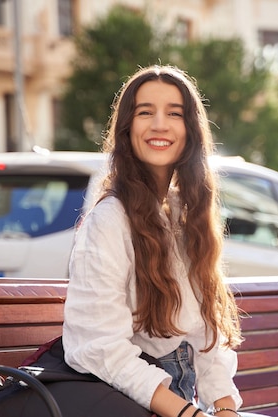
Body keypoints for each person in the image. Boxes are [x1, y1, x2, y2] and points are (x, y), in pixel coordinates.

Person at [62, 64, 244, 417]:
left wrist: (224, 409)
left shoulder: (185, 214)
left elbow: (207, 335)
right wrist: (187, 413)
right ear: (128, 128)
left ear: (190, 131)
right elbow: (99, 347)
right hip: (132, 399)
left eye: (174, 114)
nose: (160, 124)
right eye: (145, 112)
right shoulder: (110, 219)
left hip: (178, 397)